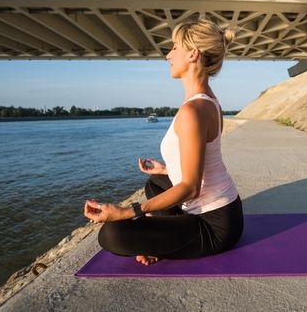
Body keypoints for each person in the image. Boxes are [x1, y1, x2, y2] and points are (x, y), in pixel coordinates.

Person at [83, 17, 243, 266]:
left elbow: (191, 188)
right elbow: (205, 160)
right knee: (157, 182)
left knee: (112, 234)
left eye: (175, 47)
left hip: (215, 227)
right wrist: (167, 169)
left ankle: (161, 240)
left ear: (192, 54)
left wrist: (127, 211)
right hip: (225, 208)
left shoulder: (194, 111)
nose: (168, 55)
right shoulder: (208, 101)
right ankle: (162, 236)